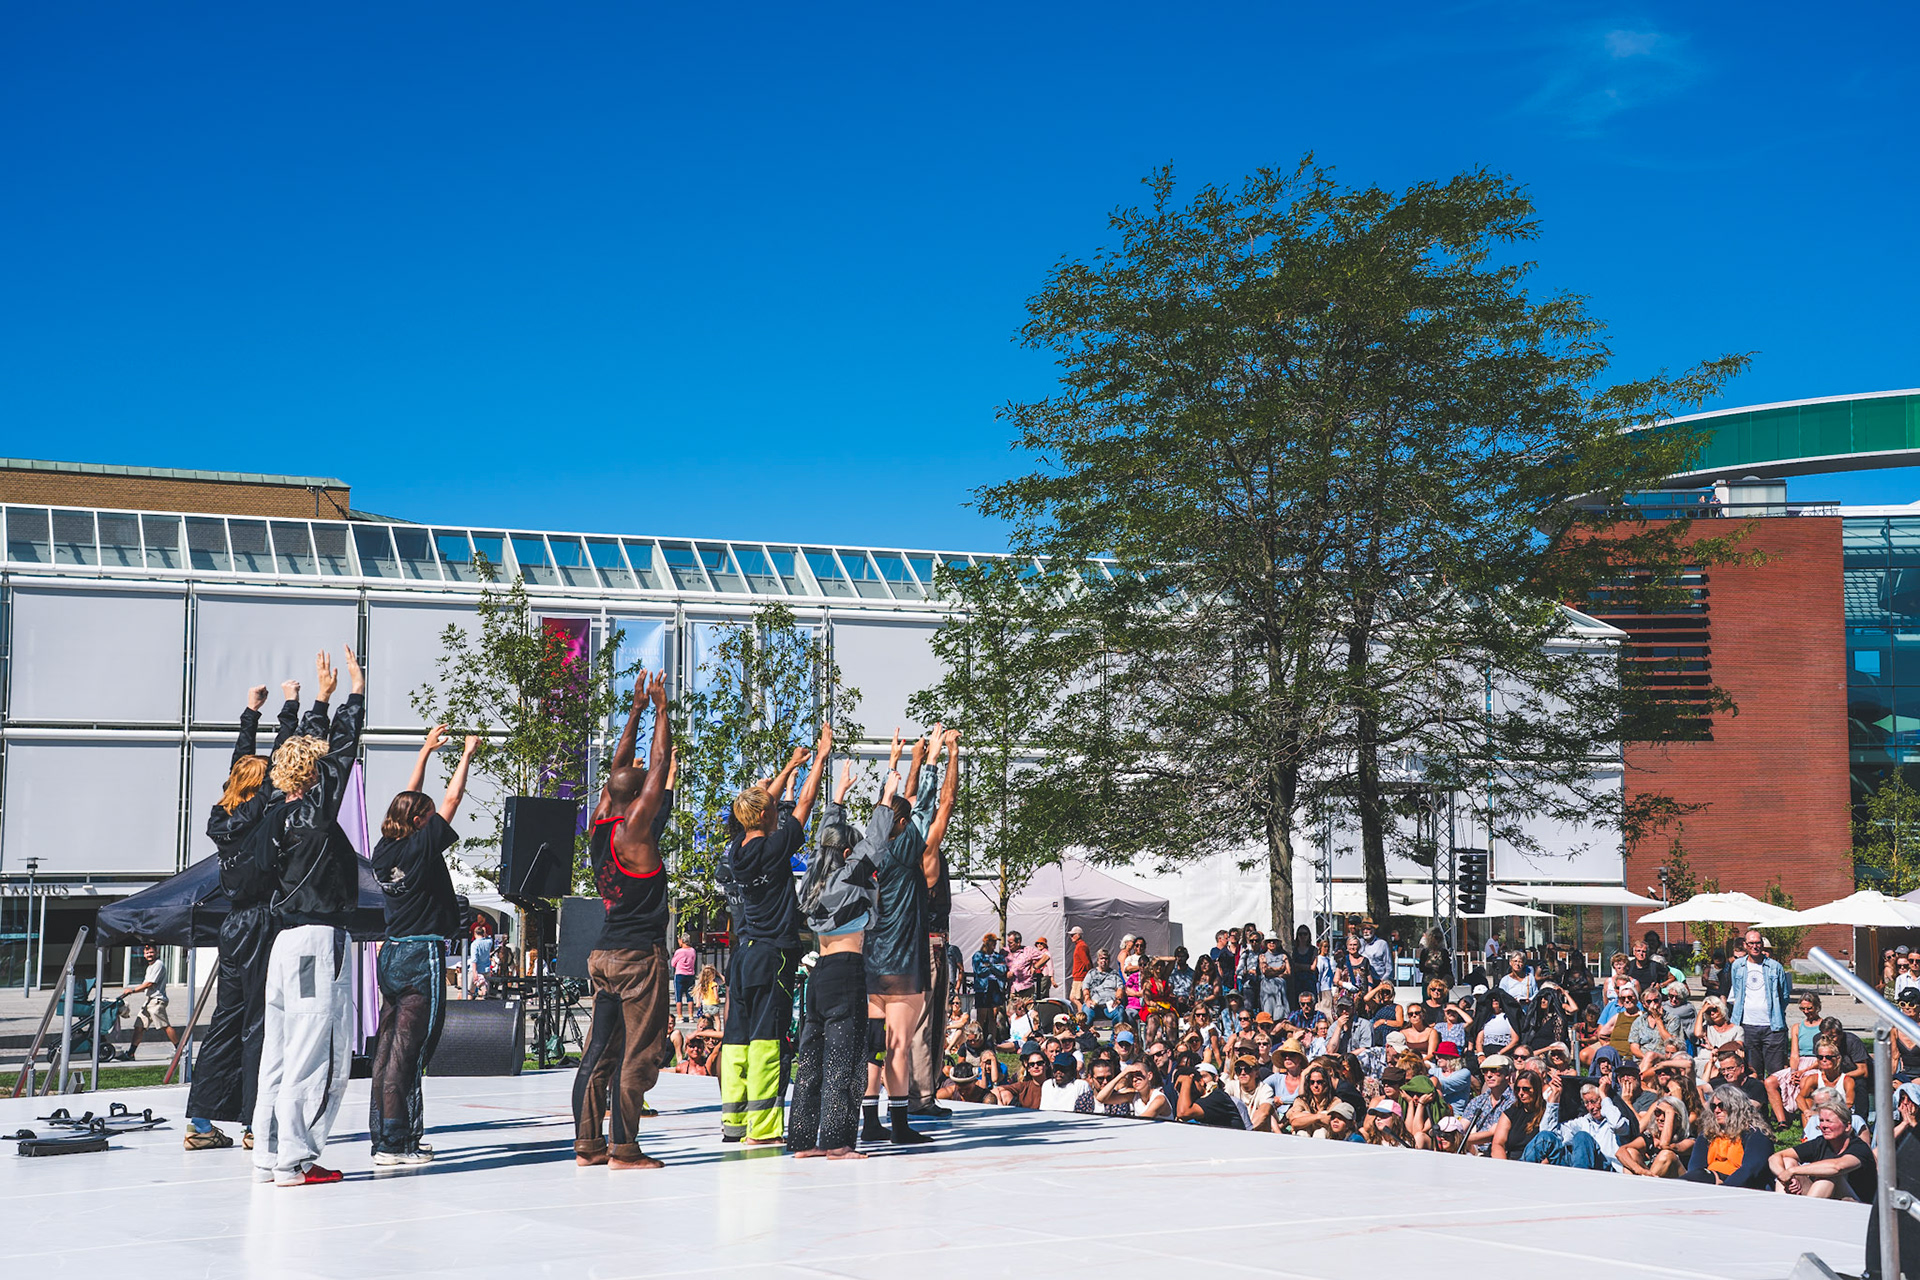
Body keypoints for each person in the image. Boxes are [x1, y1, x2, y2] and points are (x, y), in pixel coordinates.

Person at [185, 680, 322, 1149]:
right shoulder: (264, 809)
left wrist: (251, 713)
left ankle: (201, 1122)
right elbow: (277, 758)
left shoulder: (223, 817)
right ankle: (252, 1123)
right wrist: (291, 706)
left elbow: (240, 767)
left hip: (233, 924)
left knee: (226, 1019)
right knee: (261, 1022)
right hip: (264, 919)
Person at [250, 644, 366, 1188]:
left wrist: (321, 699)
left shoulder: (274, 814)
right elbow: (338, 756)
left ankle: (268, 1152)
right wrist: (354, 695)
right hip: (318, 940)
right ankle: (294, 1158)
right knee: (317, 1050)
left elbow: (303, 752)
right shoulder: (315, 814)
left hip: (284, 942)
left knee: (277, 1051)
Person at [571, 672, 676, 1168]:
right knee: (639, 1054)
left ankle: (588, 1145)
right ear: (638, 800)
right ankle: (624, 1149)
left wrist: (633, 711)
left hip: (604, 953)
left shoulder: (600, 822)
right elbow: (658, 765)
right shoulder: (635, 828)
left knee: (597, 1053)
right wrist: (661, 710)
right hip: (639, 957)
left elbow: (619, 770)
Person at [367, 724, 479, 1166]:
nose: (434, 821)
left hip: (392, 951)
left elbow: (407, 800)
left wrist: (425, 753)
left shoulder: (384, 849)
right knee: (410, 1052)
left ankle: (393, 1134)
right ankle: (395, 1144)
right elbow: (451, 800)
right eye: (427, 817)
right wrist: (466, 755)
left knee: (387, 1048)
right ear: (419, 823)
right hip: (420, 954)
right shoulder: (420, 847)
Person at [721, 719, 830, 1145]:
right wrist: (818, 759)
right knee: (768, 1040)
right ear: (767, 814)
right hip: (774, 954)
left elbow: (764, 801)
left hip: (743, 955)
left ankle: (733, 1124)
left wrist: (789, 765)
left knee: (737, 1039)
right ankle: (763, 1129)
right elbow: (804, 802)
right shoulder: (775, 847)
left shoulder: (736, 850)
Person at [790, 760, 895, 1159]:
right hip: (847, 972)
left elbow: (826, 843)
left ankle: (803, 1141)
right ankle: (836, 1142)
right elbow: (876, 843)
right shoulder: (850, 879)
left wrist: (837, 800)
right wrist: (886, 798)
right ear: (849, 854)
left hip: (817, 974)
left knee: (811, 1060)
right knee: (845, 1062)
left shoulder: (811, 881)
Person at [862, 726, 961, 1144]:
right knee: (900, 1044)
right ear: (903, 824)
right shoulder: (911, 852)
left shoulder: (869, 851)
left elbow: (896, 808)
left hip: (872, 958)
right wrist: (936, 756)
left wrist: (902, 764)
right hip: (903, 958)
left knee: (874, 1044)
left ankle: (870, 1119)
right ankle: (901, 1121)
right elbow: (932, 807)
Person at [1771, 1102, 1877, 1200]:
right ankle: (1781, 1207)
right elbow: (1775, 1157)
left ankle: (1804, 1211)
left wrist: (1792, 1171)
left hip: (1859, 1206)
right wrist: (1784, 1176)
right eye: (1821, 1121)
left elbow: (1837, 1167)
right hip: (1821, 1199)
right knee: (1787, 1161)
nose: (1824, 1126)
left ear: (1847, 1126)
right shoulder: (1820, 1143)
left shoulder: (1859, 1148)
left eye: (1829, 1121)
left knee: (1830, 1176)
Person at [1729, 928, 1792, 1079]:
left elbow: (1784, 996)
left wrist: (1777, 1012)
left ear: (1762, 944)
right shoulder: (1737, 966)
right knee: (1753, 1072)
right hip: (1747, 1025)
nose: (1755, 946)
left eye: (1758, 943)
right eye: (1751, 943)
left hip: (1772, 1027)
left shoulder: (1775, 967)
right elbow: (1737, 991)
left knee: (1775, 1074)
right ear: (1745, 945)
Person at [1684, 1084, 1774, 1188]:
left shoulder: (1755, 1134)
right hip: (1708, 1180)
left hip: (1739, 1185)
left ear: (1735, 1107)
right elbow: (1695, 1166)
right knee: (1697, 1175)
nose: (1717, 1110)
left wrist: (1723, 1188)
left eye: (1721, 1105)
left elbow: (1751, 1169)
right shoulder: (1707, 1134)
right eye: (1713, 1106)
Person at [122, 943, 176, 1061]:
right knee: (139, 1026)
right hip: (149, 1001)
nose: (149, 954)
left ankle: (180, 1050)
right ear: (144, 954)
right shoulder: (150, 967)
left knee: (165, 1026)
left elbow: (150, 983)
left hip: (157, 1001)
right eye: (147, 953)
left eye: (151, 952)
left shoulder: (158, 965)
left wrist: (133, 990)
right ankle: (130, 1054)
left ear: (156, 952)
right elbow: (146, 985)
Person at [1178, 1061, 1250, 1129]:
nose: (1185, 1089)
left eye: (1204, 1076)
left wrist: (1186, 1080)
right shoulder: (1189, 1102)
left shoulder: (1217, 1097)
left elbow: (1183, 1112)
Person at [971, 933, 1008, 1043]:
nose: (994, 944)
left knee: (994, 1015)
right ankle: (979, 1040)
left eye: (995, 942)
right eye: (993, 942)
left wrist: (990, 966)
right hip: (983, 987)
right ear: (987, 943)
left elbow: (1003, 970)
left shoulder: (998, 956)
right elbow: (979, 971)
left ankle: (992, 1042)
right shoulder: (978, 956)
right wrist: (995, 968)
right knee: (981, 1016)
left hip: (995, 986)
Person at [1084, 949, 1126, 1025]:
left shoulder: (1114, 974)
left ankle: (1117, 1032)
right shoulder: (1091, 973)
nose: (1104, 960)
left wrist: (1118, 999)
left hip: (1110, 1005)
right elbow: (1085, 988)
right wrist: (1087, 999)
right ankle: (1086, 1032)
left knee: (1120, 1012)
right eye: (1101, 958)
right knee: (1086, 1012)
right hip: (1094, 1005)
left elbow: (1120, 988)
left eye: (1106, 958)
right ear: (1097, 961)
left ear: (1109, 961)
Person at [671, 935, 698, 1024]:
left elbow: (673, 963)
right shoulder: (693, 951)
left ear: (682, 941)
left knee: (678, 996)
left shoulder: (679, 951)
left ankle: (680, 1016)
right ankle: (691, 1016)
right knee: (690, 995)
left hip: (680, 974)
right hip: (690, 974)